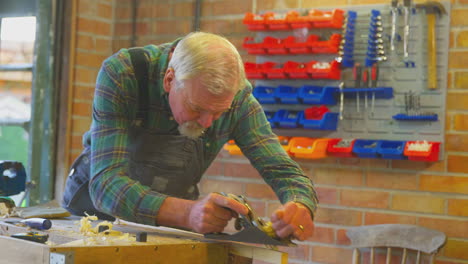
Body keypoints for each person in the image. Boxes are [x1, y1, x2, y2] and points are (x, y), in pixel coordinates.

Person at [62, 32, 318, 241]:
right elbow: (107, 185)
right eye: (196, 108)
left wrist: (300, 205)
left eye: (219, 113)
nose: (206, 123)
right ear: (169, 80)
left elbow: (285, 172)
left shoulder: (239, 103)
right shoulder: (125, 74)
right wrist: (188, 213)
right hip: (92, 219)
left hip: (168, 226)